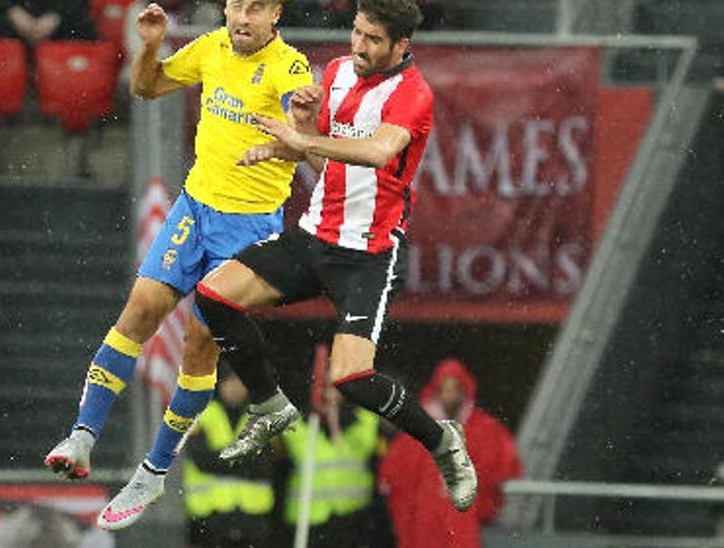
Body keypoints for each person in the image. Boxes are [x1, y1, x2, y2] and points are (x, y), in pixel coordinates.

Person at [184, 0, 477, 522]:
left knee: (350, 379)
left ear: (401, 46)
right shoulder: (338, 72)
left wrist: (300, 137)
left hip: (368, 255)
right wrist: (293, 139)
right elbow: (326, 163)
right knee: (213, 296)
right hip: (313, 237)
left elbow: (376, 153)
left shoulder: (413, 94)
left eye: (372, 40)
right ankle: (270, 404)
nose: (358, 47)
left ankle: (441, 442)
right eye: (356, 32)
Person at [41, 0, 313, 532]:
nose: (242, 17)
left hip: (249, 228)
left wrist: (298, 126)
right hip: (195, 208)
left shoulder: (291, 67)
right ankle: (82, 436)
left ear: (275, 13)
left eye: (255, 7)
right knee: (140, 308)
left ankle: (154, 470)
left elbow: (303, 143)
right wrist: (148, 48)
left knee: (197, 342)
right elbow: (146, 89)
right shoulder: (211, 47)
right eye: (236, 5)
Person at [275, 365, 385, 548]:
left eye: (335, 386)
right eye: (324, 386)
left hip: (353, 517)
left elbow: (363, 447)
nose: (330, 393)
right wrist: (314, 417)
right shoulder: (300, 423)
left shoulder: (364, 419)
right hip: (310, 519)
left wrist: (338, 421)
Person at [419, 358, 522, 524]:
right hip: (429, 523)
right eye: (445, 389)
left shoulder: (486, 430)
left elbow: (506, 464)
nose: (450, 395)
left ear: (464, 391)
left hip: (471, 522)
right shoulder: (418, 430)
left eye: (456, 389)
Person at [181, 369, 274, 548]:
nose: (234, 388)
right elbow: (202, 460)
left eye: (240, 382)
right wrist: (245, 457)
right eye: (229, 381)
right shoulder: (202, 415)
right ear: (219, 384)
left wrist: (221, 458)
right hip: (209, 518)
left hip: (251, 519)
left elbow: (265, 464)